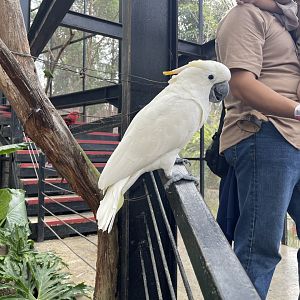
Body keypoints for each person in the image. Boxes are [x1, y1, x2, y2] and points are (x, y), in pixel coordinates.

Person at [215, 1, 300, 298]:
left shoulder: (289, 24)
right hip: (264, 133)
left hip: (294, 139)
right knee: (259, 247)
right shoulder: (245, 15)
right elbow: (241, 85)